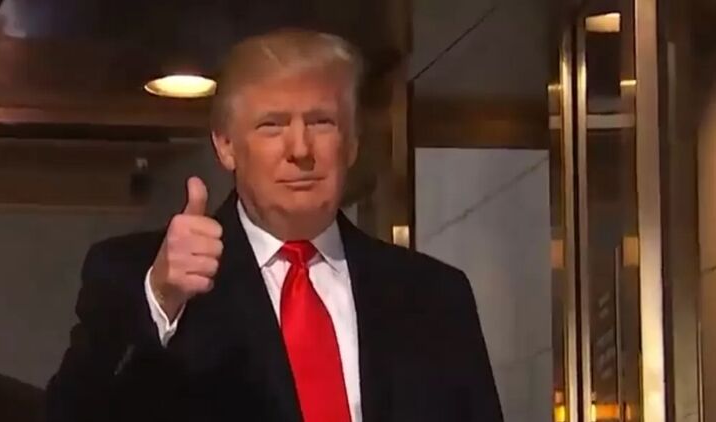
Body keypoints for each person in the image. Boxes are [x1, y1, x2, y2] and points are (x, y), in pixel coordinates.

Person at [46, 28, 502, 422]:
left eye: (321, 122)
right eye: (272, 125)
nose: (300, 149)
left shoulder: (435, 297)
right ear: (226, 146)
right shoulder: (134, 275)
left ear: (351, 144)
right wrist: (160, 301)